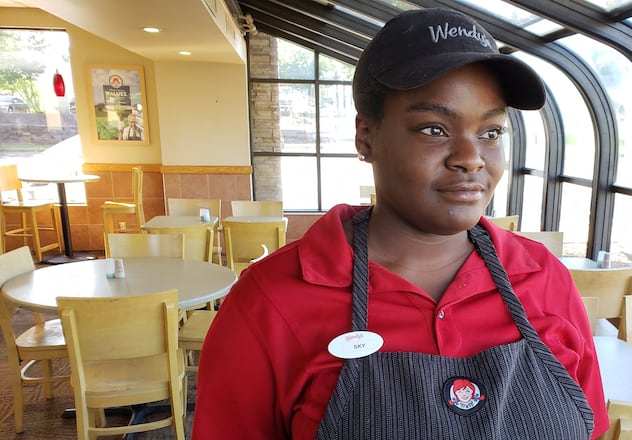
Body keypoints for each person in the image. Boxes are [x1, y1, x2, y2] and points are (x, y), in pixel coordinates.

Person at [192, 7, 608, 439]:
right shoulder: (269, 302)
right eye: (433, 129)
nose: (470, 158)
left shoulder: (543, 277)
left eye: (491, 132)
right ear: (366, 137)